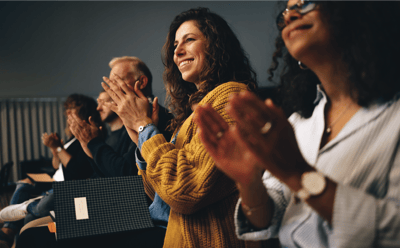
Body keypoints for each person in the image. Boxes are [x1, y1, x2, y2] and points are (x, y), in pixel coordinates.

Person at [195, 0, 400, 247]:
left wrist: (298, 175)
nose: (290, 15)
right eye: (286, 11)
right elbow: (265, 219)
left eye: (306, 3)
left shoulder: (393, 118)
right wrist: (249, 182)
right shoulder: (297, 124)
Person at [102, 7, 259, 248]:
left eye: (189, 39)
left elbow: (185, 194)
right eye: (175, 44)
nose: (177, 51)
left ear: (216, 45)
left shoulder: (230, 96)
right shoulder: (192, 112)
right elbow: (160, 197)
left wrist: (145, 128)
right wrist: (141, 138)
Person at [0, 94, 99, 248]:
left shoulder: (87, 139)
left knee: (31, 214)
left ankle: (18, 216)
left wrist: (58, 148)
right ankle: (8, 232)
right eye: (68, 114)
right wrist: (55, 150)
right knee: (22, 184)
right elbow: (56, 166)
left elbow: (75, 170)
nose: (68, 118)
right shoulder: (71, 140)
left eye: (72, 114)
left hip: (64, 186)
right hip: (54, 181)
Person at [68, 57, 173, 178]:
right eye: (110, 84)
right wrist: (89, 147)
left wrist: (94, 143)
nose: (112, 90)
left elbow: (126, 173)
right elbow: (109, 171)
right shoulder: (129, 118)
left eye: (117, 82)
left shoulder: (154, 116)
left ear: (142, 82)